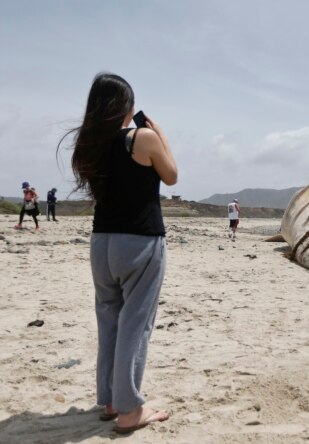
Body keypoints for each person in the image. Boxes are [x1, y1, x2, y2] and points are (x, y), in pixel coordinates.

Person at [59, 72, 177, 434]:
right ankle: (128, 411)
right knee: (135, 325)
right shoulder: (141, 138)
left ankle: (110, 400)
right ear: (126, 107)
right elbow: (171, 176)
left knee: (109, 320)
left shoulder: (90, 144)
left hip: (102, 242)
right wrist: (161, 136)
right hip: (139, 241)